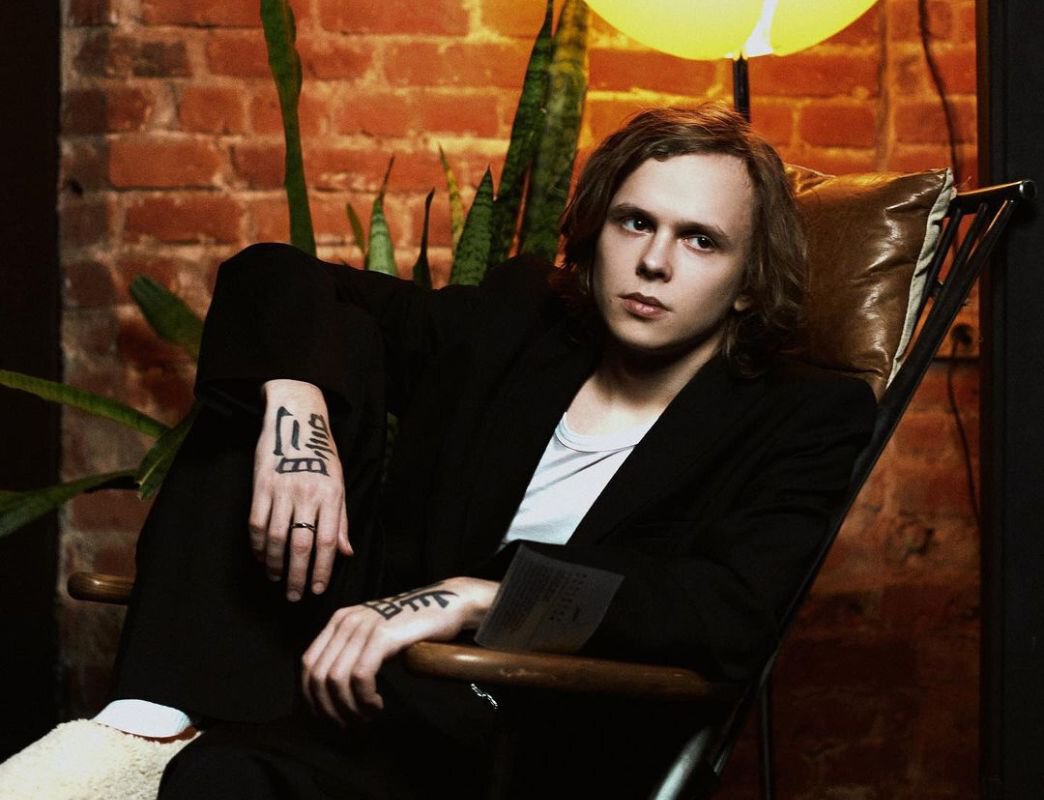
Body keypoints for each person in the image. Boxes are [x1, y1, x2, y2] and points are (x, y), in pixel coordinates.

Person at [0, 104, 876, 799]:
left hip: (519, 732)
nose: (654, 262)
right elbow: (276, 275)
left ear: (748, 278)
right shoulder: (519, 328)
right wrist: (297, 411)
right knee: (294, 371)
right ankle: (140, 726)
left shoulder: (804, 414)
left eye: (700, 239)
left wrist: (475, 596)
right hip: (336, 676)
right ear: (596, 232)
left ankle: (176, 750)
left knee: (224, 780)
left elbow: (727, 610)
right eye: (634, 222)